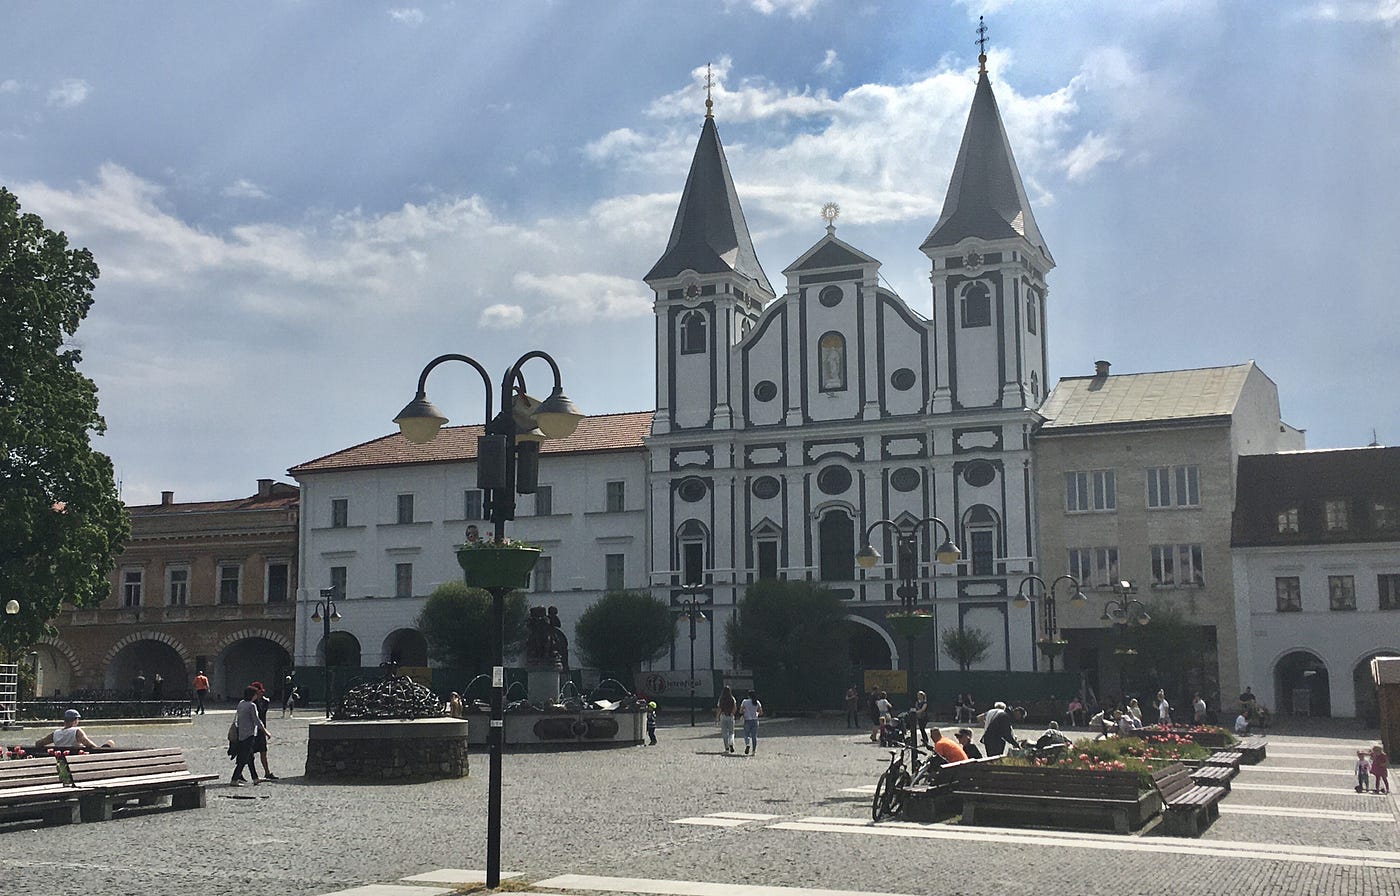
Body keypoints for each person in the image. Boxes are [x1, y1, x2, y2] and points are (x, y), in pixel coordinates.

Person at [232, 686, 269, 786]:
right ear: (253, 695)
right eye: (256, 694)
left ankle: (255, 778)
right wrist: (266, 732)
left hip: (241, 734)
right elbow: (257, 720)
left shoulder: (241, 703)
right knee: (244, 758)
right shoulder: (252, 705)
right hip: (249, 734)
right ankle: (234, 779)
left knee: (250, 757)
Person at [35, 709, 115, 752]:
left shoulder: (56, 733)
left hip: (61, 757)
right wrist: (98, 749)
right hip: (75, 758)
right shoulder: (76, 731)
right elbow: (88, 744)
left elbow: (38, 743)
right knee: (110, 742)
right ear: (75, 720)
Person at [251, 681, 277, 780]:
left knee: (263, 751)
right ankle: (240, 774)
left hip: (261, 730)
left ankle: (267, 772)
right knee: (249, 754)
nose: (260, 694)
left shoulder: (265, 702)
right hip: (252, 731)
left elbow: (262, 713)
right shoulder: (251, 703)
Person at [740, 689, 763, 755]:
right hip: (755, 720)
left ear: (748, 696)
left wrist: (744, 712)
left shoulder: (745, 702)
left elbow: (740, 711)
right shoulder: (757, 702)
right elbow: (761, 712)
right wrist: (757, 713)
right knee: (754, 736)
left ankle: (747, 744)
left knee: (746, 734)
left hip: (747, 720)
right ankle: (754, 751)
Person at [717, 685, 738, 754]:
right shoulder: (732, 698)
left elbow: (719, 708)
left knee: (724, 733)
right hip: (730, 716)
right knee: (731, 732)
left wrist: (717, 717)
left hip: (723, 716)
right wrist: (732, 713)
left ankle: (726, 748)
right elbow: (735, 707)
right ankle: (731, 742)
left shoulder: (721, 699)